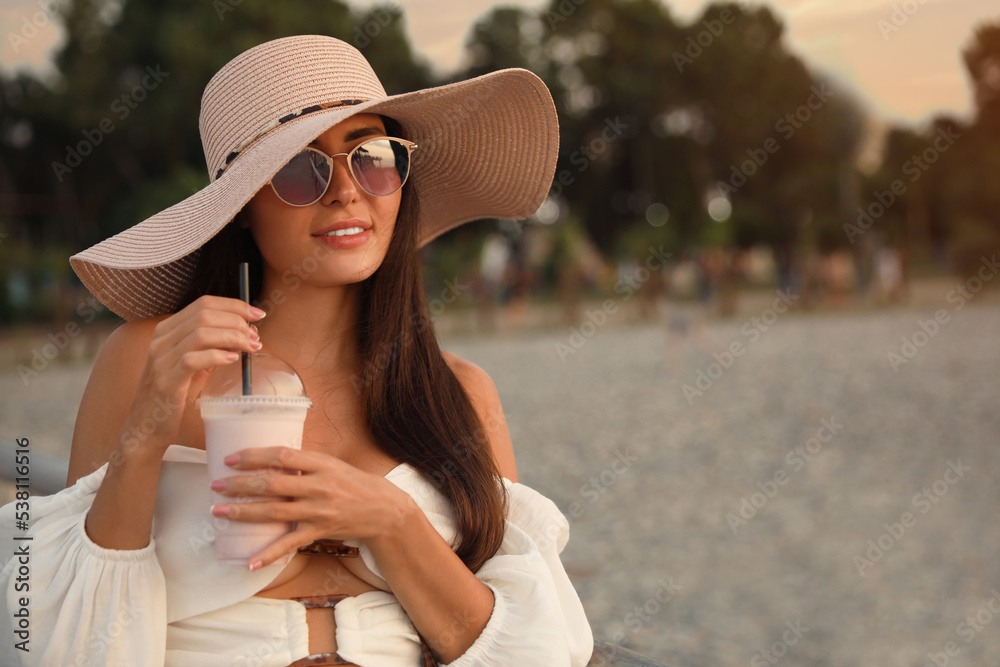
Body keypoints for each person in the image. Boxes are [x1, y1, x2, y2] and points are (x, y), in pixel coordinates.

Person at [0, 35, 592, 666]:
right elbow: (59, 641)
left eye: (373, 156)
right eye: (298, 167)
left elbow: (535, 652)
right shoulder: (154, 357)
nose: (345, 190)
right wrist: (144, 436)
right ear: (241, 209)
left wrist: (389, 521)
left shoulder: (458, 394)